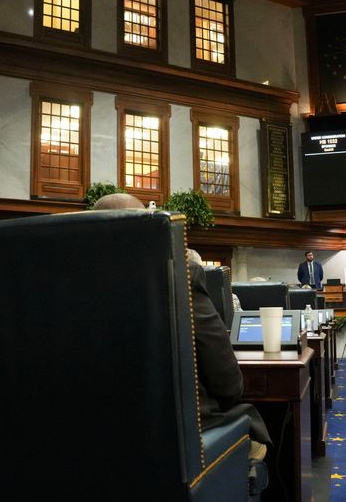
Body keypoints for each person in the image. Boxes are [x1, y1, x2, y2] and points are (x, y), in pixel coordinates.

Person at [93, 193, 271, 459]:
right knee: (258, 443)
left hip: (87, 439)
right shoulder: (179, 273)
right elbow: (227, 383)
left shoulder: (57, 284)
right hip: (176, 440)